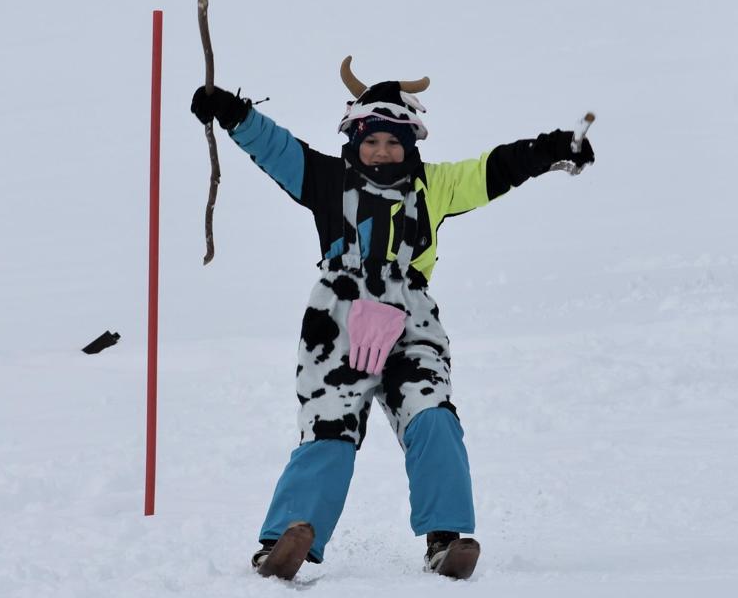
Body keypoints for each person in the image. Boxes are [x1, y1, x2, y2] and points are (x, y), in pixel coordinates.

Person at [190, 56, 594, 581]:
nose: (382, 151)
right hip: (338, 320)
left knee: (432, 414)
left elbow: (495, 168)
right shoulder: (326, 180)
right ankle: (285, 539)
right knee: (330, 427)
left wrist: (554, 147)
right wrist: (232, 111)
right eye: (371, 141)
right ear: (354, 139)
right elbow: (276, 148)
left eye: (393, 142)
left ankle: (445, 538)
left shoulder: (434, 187)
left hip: (410, 319)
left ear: (410, 144)